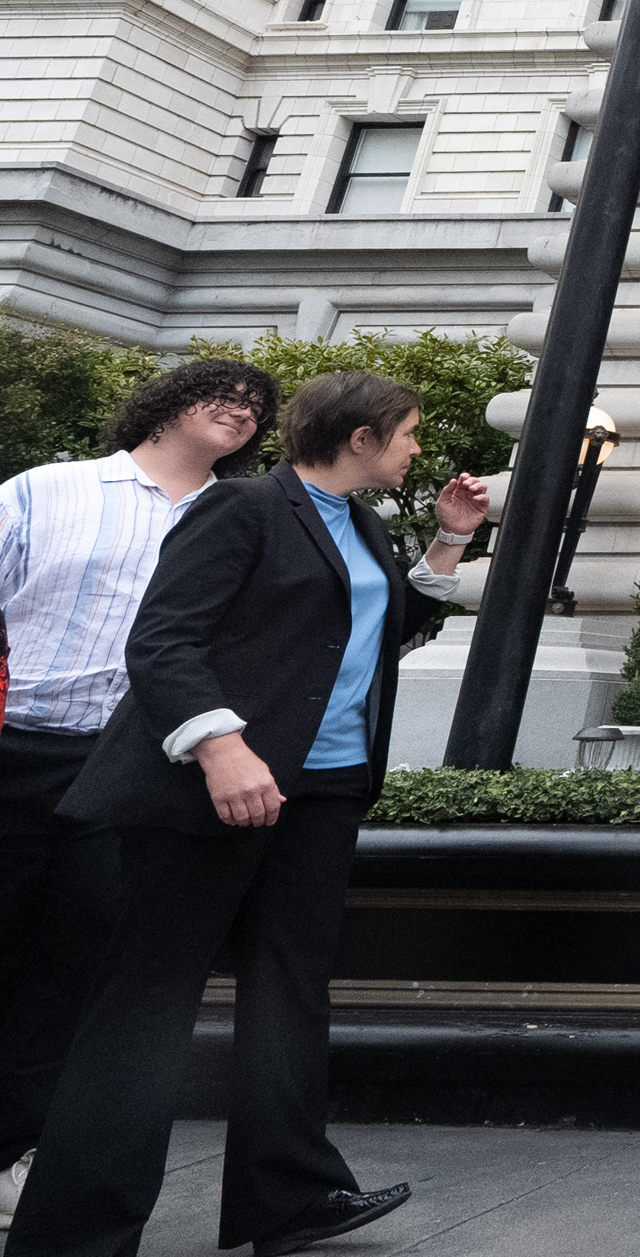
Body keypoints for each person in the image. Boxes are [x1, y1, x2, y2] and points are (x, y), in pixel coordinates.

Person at [10, 371, 488, 1257]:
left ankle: (290, 1197)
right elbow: (162, 638)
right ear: (360, 438)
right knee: (146, 1006)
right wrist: (220, 746)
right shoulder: (241, 511)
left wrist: (448, 546)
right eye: (409, 433)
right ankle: (72, 1233)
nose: (418, 448)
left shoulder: (367, 525)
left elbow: (368, 632)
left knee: (291, 993)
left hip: (324, 791)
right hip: (218, 790)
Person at [0, 359, 280, 1230]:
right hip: (16, 747)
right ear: (163, 404)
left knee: (73, 970)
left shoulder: (242, 516)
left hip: (134, 770)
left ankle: (17, 1158)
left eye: (256, 407)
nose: (240, 411)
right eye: (221, 395)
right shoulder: (49, 490)